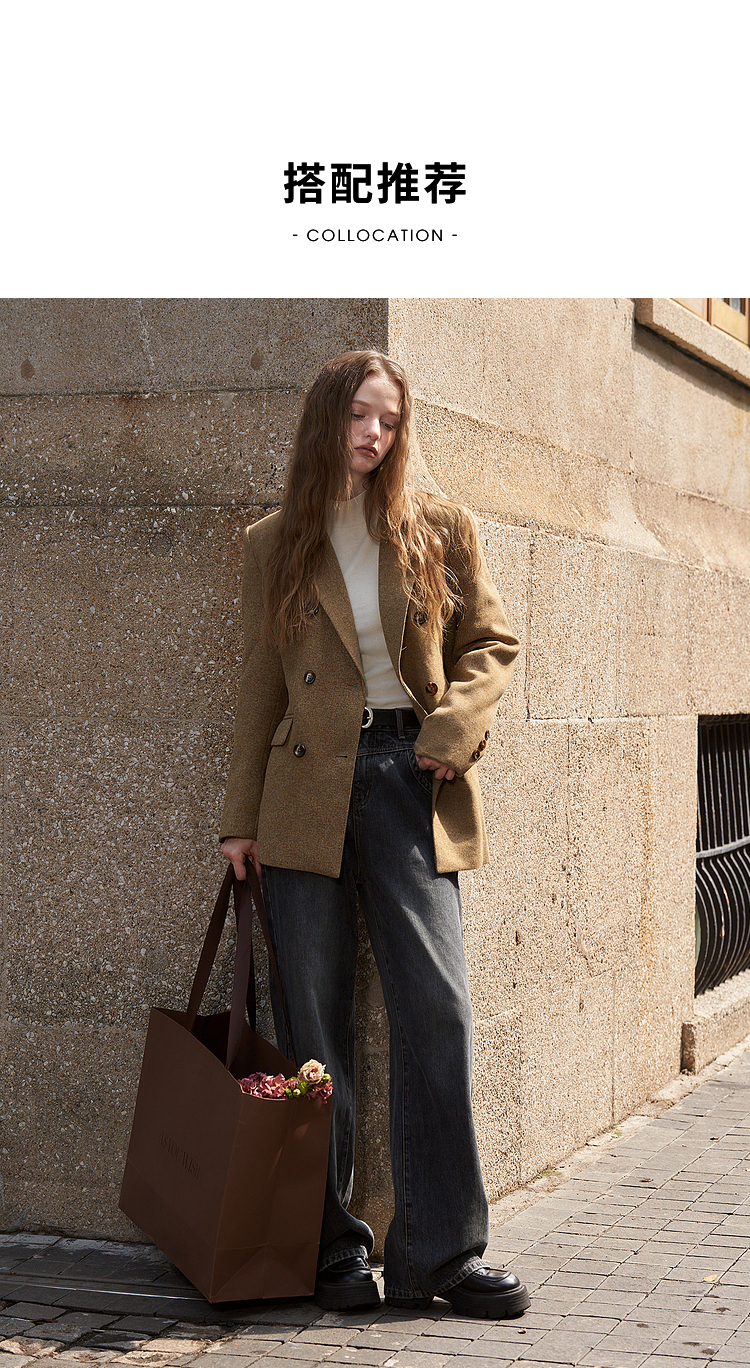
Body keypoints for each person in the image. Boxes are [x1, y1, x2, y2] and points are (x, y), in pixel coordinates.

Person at [220, 350, 528, 1319]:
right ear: (327, 419)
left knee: (437, 1012)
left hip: (408, 778)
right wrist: (238, 821)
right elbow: (258, 686)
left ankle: (441, 1256)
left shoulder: (437, 527)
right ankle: (333, 1251)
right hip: (303, 793)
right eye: (359, 415)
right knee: (313, 1028)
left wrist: (452, 733)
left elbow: (491, 642)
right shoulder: (275, 540)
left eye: (389, 420)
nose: (374, 434)